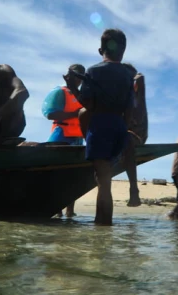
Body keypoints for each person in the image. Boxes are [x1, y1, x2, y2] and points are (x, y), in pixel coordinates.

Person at [77, 28, 135, 226]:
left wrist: (73, 88)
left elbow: (88, 105)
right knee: (104, 177)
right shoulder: (128, 75)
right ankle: (101, 225)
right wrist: (123, 130)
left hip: (100, 124)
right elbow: (129, 108)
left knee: (103, 182)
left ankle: (103, 229)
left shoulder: (93, 71)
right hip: (119, 125)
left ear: (101, 49)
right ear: (123, 50)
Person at [43, 64, 85, 218]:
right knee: (57, 175)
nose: (78, 80)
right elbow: (50, 114)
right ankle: (56, 210)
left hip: (78, 139)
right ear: (69, 75)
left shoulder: (82, 95)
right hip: (61, 136)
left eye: (81, 77)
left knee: (73, 176)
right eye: (76, 76)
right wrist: (74, 114)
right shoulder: (60, 92)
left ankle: (70, 211)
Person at [122, 63, 147, 207]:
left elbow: (140, 77)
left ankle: (134, 189)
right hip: (119, 132)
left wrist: (132, 77)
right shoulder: (120, 93)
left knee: (127, 139)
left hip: (136, 135)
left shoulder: (136, 92)